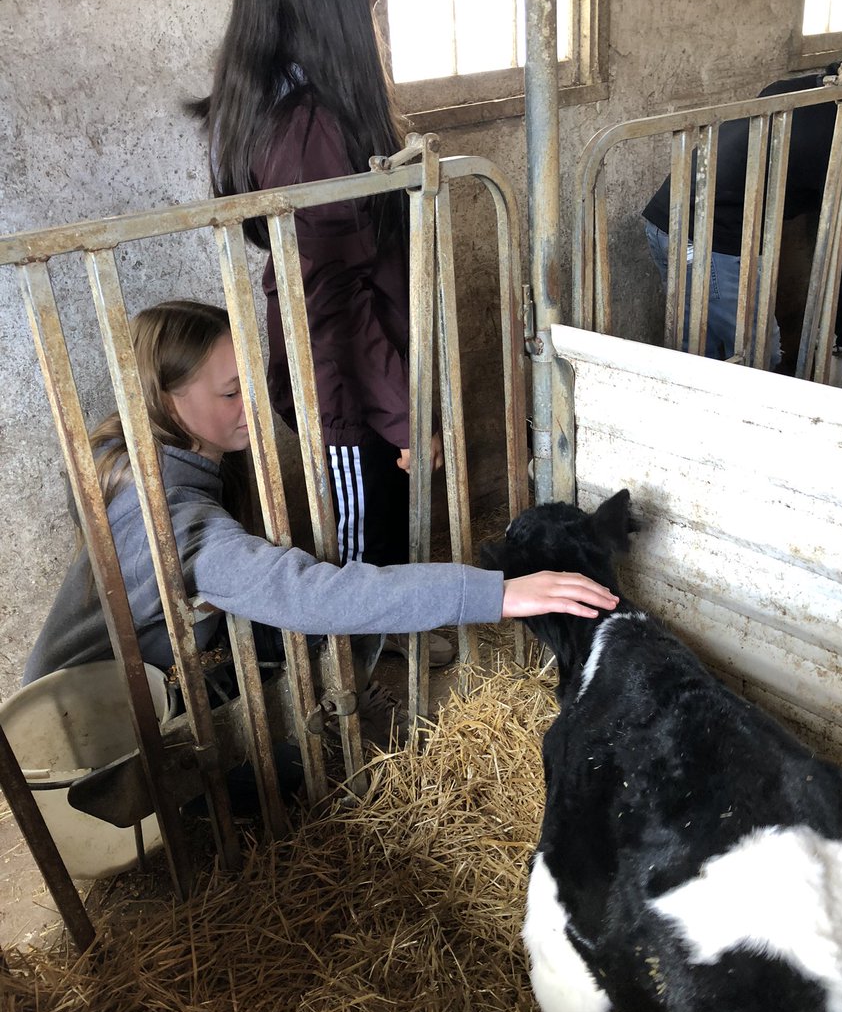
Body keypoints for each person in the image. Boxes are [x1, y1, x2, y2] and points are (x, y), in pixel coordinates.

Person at [24, 301, 618, 750]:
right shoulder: (167, 513)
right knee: (302, 709)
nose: (254, 406)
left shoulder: (141, 456)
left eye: (251, 384)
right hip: (89, 733)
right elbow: (301, 591)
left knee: (321, 617)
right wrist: (498, 593)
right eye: (233, 393)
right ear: (165, 401)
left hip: (145, 676)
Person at [189, 0, 453, 675]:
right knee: (362, 543)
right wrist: (406, 418)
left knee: (390, 524)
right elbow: (332, 297)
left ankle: (395, 639)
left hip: (362, 373)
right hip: (343, 389)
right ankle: (359, 685)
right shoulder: (308, 127)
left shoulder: (299, 103)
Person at [642, 23, 842, 367]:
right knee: (757, 353)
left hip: (673, 215)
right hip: (705, 233)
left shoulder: (810, 89)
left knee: (702, 344)